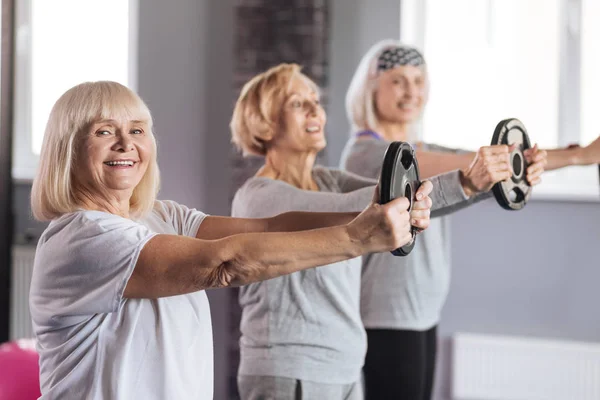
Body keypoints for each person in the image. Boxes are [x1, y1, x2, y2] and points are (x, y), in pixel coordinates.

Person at [28, 81, 419, 400]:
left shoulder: (162, 216)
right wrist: (358, 238)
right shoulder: (82, 237)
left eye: (136, 130)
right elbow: (224, 263)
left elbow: (269, 229)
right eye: (103, 131)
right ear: (69, 148)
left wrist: (374, 214)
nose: (125, 143)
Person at [229, 63, 524, 400]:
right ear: (264, 124)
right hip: (290, 371)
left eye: (315, 100)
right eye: (297, 103)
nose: (315, 110)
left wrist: (488, 183)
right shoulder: (259, 196)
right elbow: (365, 206)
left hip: (345, 368)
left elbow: (403, 193)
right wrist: (466, 180)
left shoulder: (329, 181)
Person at [341, 40, 551, 399]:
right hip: (387, 314)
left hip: (423, 310)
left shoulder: (422, 150)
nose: (412, 92)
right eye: (399, 81)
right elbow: (473, 165)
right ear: (371, 89)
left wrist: (568, 157)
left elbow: (484, 163)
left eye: (418, 81)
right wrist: (571, 157)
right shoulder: (369, 154)